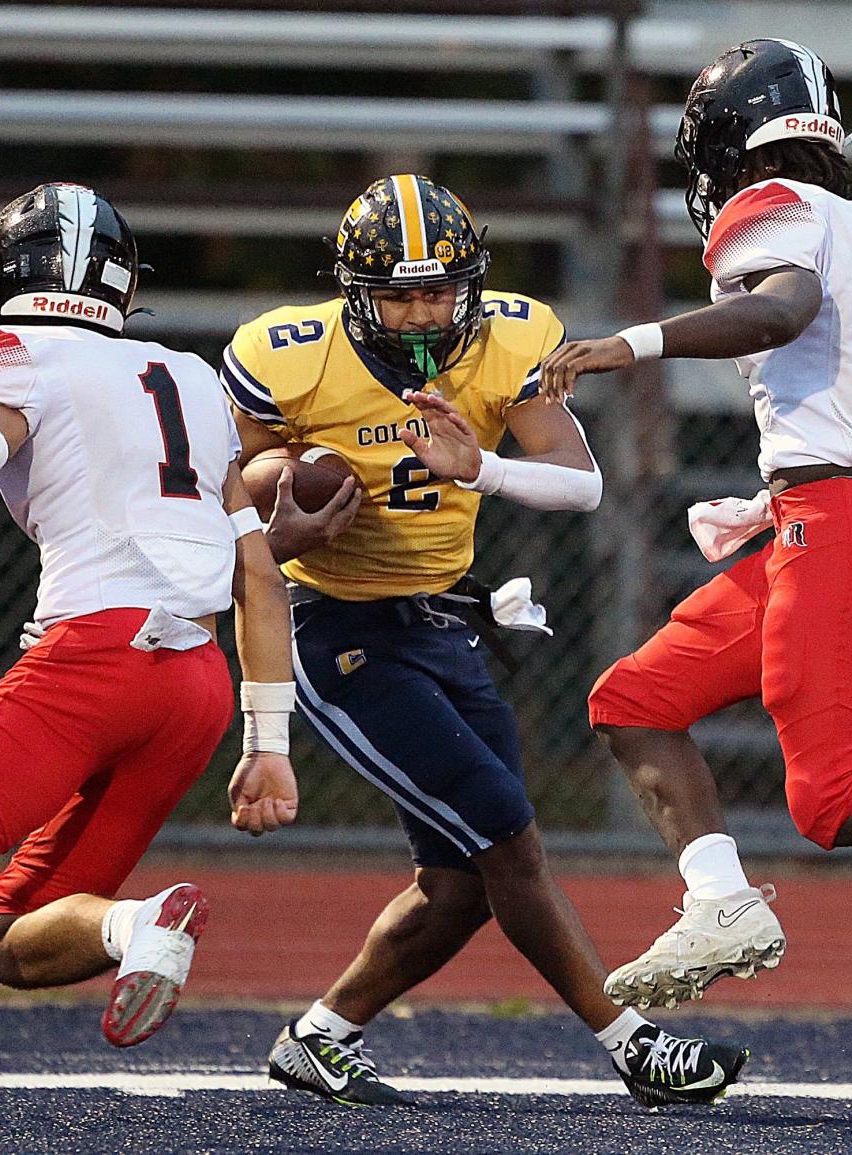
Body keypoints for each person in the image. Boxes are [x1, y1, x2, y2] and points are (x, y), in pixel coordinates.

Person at [220, 173, 748, 1109]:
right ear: (354, 290)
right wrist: (286, 488)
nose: (424, 310)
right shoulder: (285, 354)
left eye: (439, 288)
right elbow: (230, 482)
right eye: (400, 292)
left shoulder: (511, 334)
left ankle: (319, 1036)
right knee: (508, 836)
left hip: (443, 618)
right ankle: (631, 1043)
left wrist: (485, 467)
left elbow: (579, 481)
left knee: (461, 882)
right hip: (334, 623)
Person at [0, 183, 299, 1148]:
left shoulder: (13, 355)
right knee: (10, 942)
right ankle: (135, 925)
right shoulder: (194, 378)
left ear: (1, 277)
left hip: (95, 657)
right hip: (195, 684)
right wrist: (269, 739)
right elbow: (257, 573)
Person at [539, 38, 852, 1011]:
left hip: (835, 511)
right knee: (635, 699)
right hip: (807, 510)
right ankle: (722, 903)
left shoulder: (777, 208)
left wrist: (628, 344)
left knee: (829, 797)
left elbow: (781, 312)